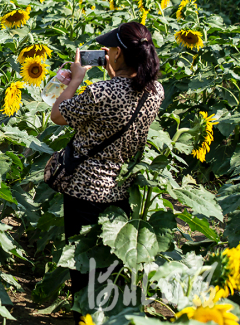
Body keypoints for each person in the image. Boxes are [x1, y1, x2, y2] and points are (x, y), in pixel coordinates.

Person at [50, 22, 163, 319]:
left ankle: (83, 317)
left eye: (111, 50)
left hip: (84, 189)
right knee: (109, 265)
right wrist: (116, 75)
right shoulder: (156, 91)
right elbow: (127, 96)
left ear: (117, 53)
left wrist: (75, 79)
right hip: (119, 189)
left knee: (83, 266)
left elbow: (58, 115)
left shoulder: (101, 92)